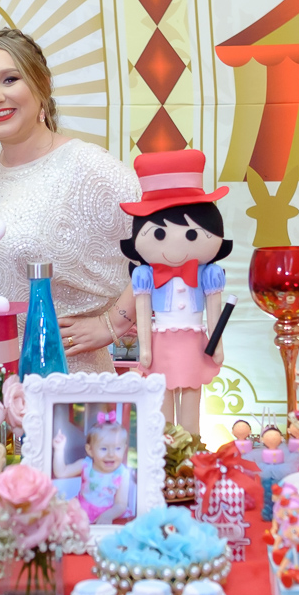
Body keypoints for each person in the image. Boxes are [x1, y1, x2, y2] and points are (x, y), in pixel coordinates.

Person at [0, 29, 140, 373]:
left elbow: (164, 250)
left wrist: (114, 323)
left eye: (10, 79)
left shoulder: (89, 167)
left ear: (44, 85)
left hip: (66, 381)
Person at [120, 150, 232, 434]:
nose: (175, 247)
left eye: (192, 234)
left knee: (193, 398)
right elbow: (143, 313)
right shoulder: (145, 275)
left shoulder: (209, 274)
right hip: (161, 344)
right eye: (158, 234)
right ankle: (166, 455)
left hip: (195, 343)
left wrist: (217, 345)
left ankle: (192, 453)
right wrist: (144, 348)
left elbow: (215, 311)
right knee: (162, 400)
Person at [52, 412, 131, 524]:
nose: (111, 454)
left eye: (118, 448)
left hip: (109, 514)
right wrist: (59, 450)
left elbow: (121, 504)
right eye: (104, 449)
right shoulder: (85, 465)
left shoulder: (123, 473)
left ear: (124, 449)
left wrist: (108, 516)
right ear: (90, 450)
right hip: (82, 512)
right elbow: (61, 472)